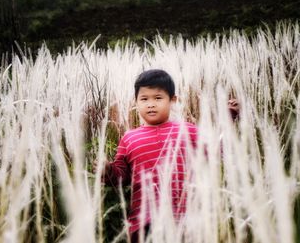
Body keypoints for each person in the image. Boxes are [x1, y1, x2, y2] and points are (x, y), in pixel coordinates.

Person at [93, 69, 239, 242]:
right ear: (136, 102)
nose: (151, 104)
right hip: (145, 222)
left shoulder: (188, 130)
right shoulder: (129, 139)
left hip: (187, 218)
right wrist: (107, 170)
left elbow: (216, 151)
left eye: (158, 98)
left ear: (173, 100)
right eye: (144, 99)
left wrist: (230, 117)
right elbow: (121, 178)